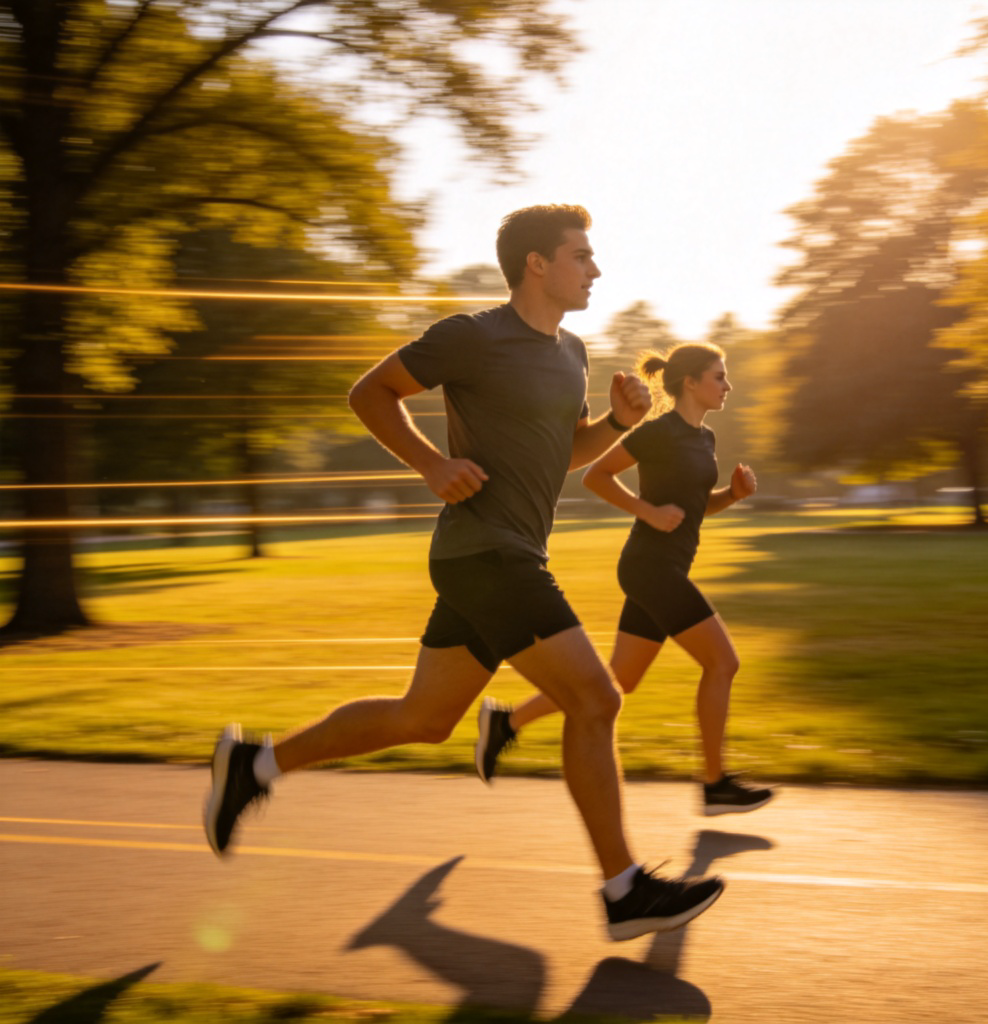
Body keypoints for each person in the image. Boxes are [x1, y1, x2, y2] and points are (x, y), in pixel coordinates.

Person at [203, 205, 725, 941]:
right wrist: (431, 463)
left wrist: (614, 427)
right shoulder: (472, 337)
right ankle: (623, 888)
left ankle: (255, 765)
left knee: (424, 719)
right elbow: (369, 393)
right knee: (595, 698)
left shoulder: (571, 352)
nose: (596, 269)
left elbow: (563, 453)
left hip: (504, 554)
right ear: (536, 264)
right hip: (485, 552)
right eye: (582, 256)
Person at [475, 341, 775, 817]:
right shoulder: (660, 431)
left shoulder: (705, 439)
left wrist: (731, 496)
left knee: (620, 681)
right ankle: (715, 783)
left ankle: (507, 723)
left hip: (666, 568)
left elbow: (696, 508)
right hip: (649, 568)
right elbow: (596, 475)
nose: (727, 385)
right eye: (719, 376)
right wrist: (647, 511)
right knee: (723, 662)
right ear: (691, 383)